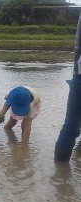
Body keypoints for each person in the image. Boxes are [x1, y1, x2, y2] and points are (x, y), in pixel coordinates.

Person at [54, 10, 81, 163]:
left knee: (70, 128)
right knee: (71, 129)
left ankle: (60, 174)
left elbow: (78, 42)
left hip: (79, 73)